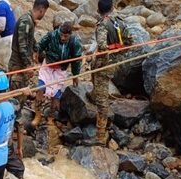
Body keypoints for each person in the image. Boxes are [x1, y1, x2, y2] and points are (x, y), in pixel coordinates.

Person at [91, 0, 131, 145]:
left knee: (102, 101)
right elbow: (130, 41)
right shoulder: (120, 22)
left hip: (105, 64)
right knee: (92, 70)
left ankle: (100, 135)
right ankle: (94, 94)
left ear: (98, 10)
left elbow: (101, 46)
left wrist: (107, 51)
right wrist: (119, 52)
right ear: (113, 8)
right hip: (116, 62)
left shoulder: (102, 24)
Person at [34, 22, 83, 127]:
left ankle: (51, 117)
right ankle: (37, 115)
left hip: (61, 70)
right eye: (61, 35)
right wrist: (36, 54)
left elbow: (76, 61)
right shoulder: (52, 35)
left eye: (65, 36)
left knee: (56, 96)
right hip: (47, 66)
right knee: (40, 89)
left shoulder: (75, 42)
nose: (63, 38)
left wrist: (75, 76)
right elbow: (40, 45)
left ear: (70, 35)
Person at [9, 0, 50, 106]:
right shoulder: (26, 21)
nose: (44, 15)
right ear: (41, 10)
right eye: (44, 12)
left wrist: (36, 49)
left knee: (22, 92)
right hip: (18, 65)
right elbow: (22, 45)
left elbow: (30, 39)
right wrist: (28, 64)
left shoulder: (30, 21)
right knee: (16, 97)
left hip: (22, 64)